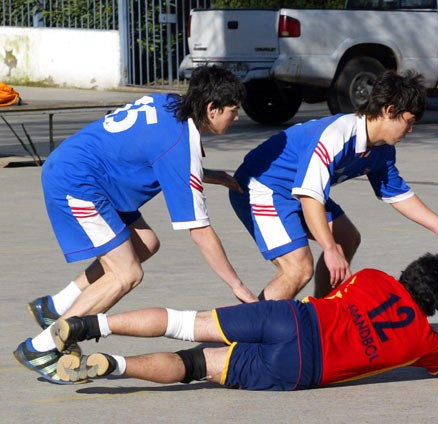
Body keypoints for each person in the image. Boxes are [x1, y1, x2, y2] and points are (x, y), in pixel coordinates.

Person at [13, 66, 259, 385]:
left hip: (89, 171)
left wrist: (207, 174)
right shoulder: (178, 142)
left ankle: (56, 306)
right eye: (233, 110)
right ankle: (40, 348)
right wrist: (237, 285)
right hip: (78, 182)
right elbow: (199, 231)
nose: (237, 117)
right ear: (212, 108)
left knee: (145, 243)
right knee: (126, 273)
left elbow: (150, 149)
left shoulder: (169, 103)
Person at [51, 253, 438, 389]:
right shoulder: (426, 342)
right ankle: (114, 365)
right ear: (435, 303)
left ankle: (89, 326)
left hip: (291, 318)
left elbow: (331, 294)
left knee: (187, 322)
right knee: (198, 364)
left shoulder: (373, 278)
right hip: (301, 366)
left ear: (406, 273)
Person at [228, 70, 438, 300]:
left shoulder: (382, 150)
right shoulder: (337, 136)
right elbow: (310, 197)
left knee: (346, 237)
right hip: (261, 187)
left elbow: (398, 195)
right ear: (389, 111)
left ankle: (322, 314)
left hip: (295, 190)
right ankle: (249, 328)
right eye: (409, 121)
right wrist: (329, 248)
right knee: (298, 268)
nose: (411, 130)